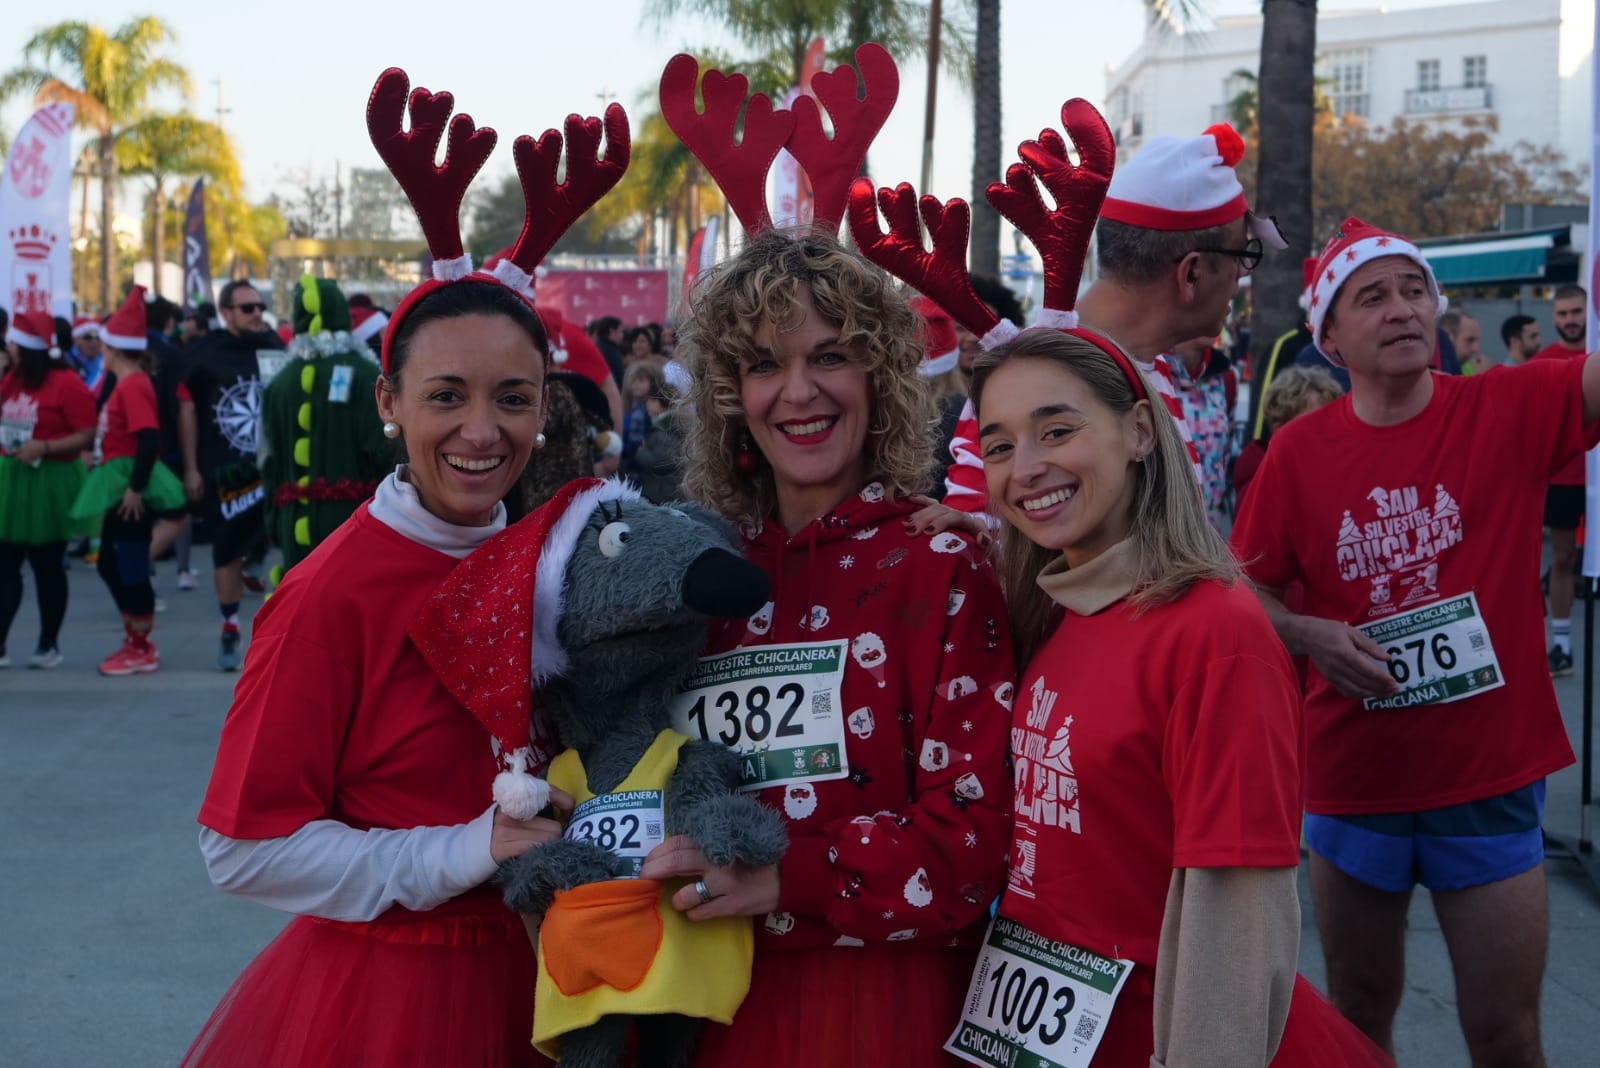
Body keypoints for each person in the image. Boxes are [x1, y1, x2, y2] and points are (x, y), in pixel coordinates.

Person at [1231, 217, 1597, 1064]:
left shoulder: (1505, 405)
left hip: (1489, 772)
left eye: (1413, 291)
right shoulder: (1297, 452)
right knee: (1359, 1016)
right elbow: (1244, 592)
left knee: (1507, 1034)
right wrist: (1309, 634)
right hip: (1355, 779)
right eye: (1372, 297)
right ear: (1328, 338)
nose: (1401, 309)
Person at [970, 325, 1387, 1067]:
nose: (1025, 468)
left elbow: (1238, 910)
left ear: (1138, 431)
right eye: (998, 446)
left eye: (1056, 431)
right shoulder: (1053, 605)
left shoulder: (1215, 632)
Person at [652, 228, 1014, 1067]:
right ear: (730, 395)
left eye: (829, 356)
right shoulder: (693, 575)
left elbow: (975, 833)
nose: (798, 391)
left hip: (881, 1009)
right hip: (697, 1003)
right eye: (763, 364)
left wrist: (791, 876)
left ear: (880, 377)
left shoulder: (940, 564)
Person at [67, 287, 189, 675]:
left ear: (114, 350)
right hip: (119, 480)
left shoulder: (133, 384)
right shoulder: (125, 382)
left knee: (130, 564)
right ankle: (134, 637)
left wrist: (136, 488)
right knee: (110, 563)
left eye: (103, 345)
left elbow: (149, 436)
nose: (100, 352)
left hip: (129, 484)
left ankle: (141, 646)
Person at [179, 278, 284, 671]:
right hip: (225, 472)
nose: (257, 314)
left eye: (260, 307)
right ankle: (229, 625)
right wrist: (191, 468)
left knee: (280, 543)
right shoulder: (205, 354)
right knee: (225, 550)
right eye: (247, 308)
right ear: (226, 313)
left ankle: (279, 629)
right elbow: (187, 411)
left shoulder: (275, 347)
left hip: (274, 471)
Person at [258, 274, 391, 579]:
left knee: (300, 597)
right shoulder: (367, 374)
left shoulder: (278, 384)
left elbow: (267, 460)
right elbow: (387, 448)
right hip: (356, 520)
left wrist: (272, 519)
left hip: (293, 521)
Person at [0, 309, 97, 669]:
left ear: (28, 349)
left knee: (46, 566)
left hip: (50, 481)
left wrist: (45, 447)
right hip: (12, 480)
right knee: (5, 564)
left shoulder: (67, 383)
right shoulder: (11, 379)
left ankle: (48, 643)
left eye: (14, 343)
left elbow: (86, 433)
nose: (8, 347)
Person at [1532, 283, 1588, 676]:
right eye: (1563, 314)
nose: (1571, 320)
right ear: (1554, 318)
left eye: (1576, 312)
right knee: (1563, 558)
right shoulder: (1545, 362)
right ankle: (1562, 646)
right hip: (1566, 479)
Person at [1232, 364, 1343, 504]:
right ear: (1279, 429)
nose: (1324, 433)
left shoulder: (1336, 468)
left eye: (1330, 422)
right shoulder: (1260, 483)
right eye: (1312, 424)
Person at [1165, 333, 1237, 528]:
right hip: (1159, 527)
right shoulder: (1151, 370)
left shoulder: (1226, 377)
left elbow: (1226, 452)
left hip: (1209, 528)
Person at [1441, 309, 1489, 375]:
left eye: (1476, 341)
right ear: (1448, 336)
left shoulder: (1468, 367)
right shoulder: (1430, 368)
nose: (1476, 349)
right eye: (1470, 340)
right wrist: (1480, 377)